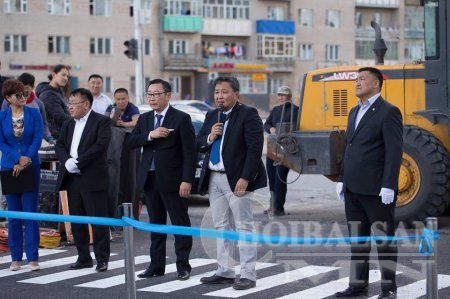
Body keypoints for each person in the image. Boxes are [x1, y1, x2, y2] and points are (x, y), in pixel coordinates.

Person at [335, 67, 402, 299]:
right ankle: (358, 286)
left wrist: (389, 184)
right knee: (358, 240)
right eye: (356, 79)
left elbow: (394, 152)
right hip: (353, 189)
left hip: (376, 190)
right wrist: (342, 179)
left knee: (384, 241)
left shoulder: (388, 112)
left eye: (362, 78)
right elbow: (349, 147)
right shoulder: (354, 111)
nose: (357, 82)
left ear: (376, 84)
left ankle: (388, 288)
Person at [197, 76, 267, 290]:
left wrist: (245, 178)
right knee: (220, 226)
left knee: (244, 226)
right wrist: (210, 136)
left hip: (236, 178)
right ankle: (225, 271)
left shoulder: (248, 114)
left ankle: (248, 274)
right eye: (217, 92)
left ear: (236, 94)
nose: (220, 96)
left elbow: (255, 148)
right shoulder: (211, 115)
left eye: (224, 91)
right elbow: (199, 143)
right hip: (214, 177)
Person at [128, 79, 196, 281]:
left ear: (168, 95)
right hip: (150, 179)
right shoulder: (145, 119)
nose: (152, 98)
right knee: (156, 226)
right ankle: (156, 265)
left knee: (179, 225)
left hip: (174, 181)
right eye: (149, 94)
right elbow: (131, 141)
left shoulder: (181, 118)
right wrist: (151, 134)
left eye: (157, 94)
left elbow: (190, 153)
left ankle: (183, 265)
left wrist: (187, 180)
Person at [55, 88, 111, 273]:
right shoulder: (68, 123)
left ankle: (102, 259)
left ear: (86, 104)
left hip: (93, 177)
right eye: (69, 104)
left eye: (73, 104)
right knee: (77, 220)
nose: (70, 107)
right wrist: (67, 161)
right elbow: (60, 145)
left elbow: (100, 146)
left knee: (98, 221)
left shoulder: (101, 121)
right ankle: (83, 257)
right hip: (72, 178)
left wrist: (78, 162)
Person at [0, 79, 43, 271]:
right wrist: (17, 158)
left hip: (31, 166)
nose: (23, 97)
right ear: (8, 98)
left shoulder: (34, 113)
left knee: (30, 214)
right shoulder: (1, 116)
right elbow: (1, 142)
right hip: (9, 167)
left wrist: (26, 159)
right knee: (14, 215)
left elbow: (37, 137)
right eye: (18, 95)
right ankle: (15, 256)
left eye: (24, 94)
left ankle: (33, 257)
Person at [105, 88, 140, 221]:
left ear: (128, 98)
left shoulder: (133, 108)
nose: (120, 102)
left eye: (123, 98)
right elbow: (105, 121)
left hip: (128, 148)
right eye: (118, 99)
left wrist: (123, 124)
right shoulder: (111, 107)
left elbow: (136, 122)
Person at [263, 86, 299, 216]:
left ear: (289, 96)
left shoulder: (296, 110)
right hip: (273, 149)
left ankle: (279, 208)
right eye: (279, 95)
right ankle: (272, 205)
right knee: (272, 178)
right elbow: (266, 124)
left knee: (280, 178)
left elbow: (299, 127)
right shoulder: (276, 110)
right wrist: (271, 129)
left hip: (287, 150)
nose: (281, 98)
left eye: (283, 95)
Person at [2, 73, 54, 144]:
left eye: (26, 88)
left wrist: (49, 138)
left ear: (32, 87)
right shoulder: (9, 101)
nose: (22, 92)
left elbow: (43, 125)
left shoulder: (38, 104)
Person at [35, 64, 71, 140]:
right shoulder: (48, 94)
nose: (66, 78)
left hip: (62, 136)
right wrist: (79, 123)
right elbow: (60, 117)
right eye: (63, 75)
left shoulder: (59, 91)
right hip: (54, 138)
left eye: (67, 76)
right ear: (54, 75)